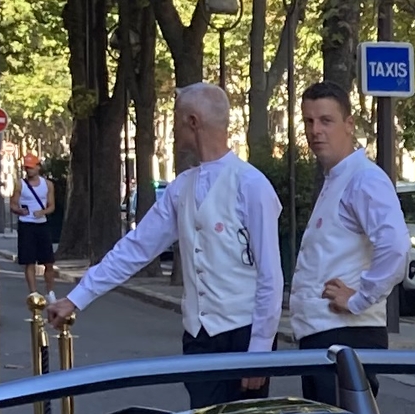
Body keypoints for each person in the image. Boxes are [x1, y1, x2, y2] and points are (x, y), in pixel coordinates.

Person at [50, 82, 282, 371]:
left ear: (193, 122)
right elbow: (136, 248)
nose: (172, 128)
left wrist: (260, 350)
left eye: (176, 118)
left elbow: (271, 275)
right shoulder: (181, 188)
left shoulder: (252, 185)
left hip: (243, 337)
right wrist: (77, 298)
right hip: (198, 337)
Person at [289, 78, 408, 375]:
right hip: (326, 337)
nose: (315, 130)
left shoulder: (364, 179)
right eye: (309, 121)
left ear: (349, 124)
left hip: (347, 337)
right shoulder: (338, 179)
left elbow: (395, 246)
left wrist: (359, 299)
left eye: (326, 121)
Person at [14, 154, 58, 302]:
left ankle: (50, 291)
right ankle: (33, 292)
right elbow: (13, 204)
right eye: (27, 168)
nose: (29, 170)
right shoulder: (20, 184)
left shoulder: (48, 185)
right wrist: (19, 210)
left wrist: (42, 212)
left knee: (48, 262)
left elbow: (52, 206)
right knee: (29, 261)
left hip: (41, 224)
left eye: (31, 167)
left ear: (38, 167)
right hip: (26, 225)